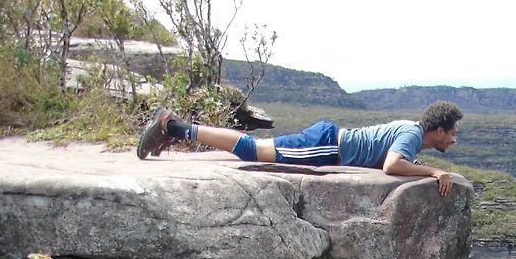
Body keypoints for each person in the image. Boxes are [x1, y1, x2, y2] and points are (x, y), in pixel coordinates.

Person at [137, 100, 464, 196]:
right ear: (437, 129)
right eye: (452, 133)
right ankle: (174, 127)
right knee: (252, 151)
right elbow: (393, 165)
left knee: (255, 148)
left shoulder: (411, 131)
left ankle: (176, 129)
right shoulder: (412, 136)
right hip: (325, 147)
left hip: (328, 142)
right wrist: (435, 171)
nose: (453, 139)